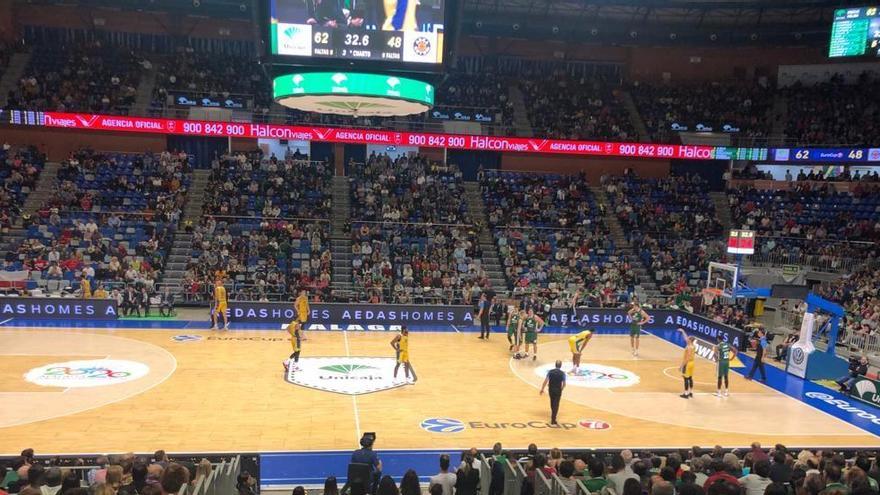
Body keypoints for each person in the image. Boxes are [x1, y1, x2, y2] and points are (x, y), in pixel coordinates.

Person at [540, 360, 566, 425]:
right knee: (556, 404)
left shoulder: (550, 372)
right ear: (561, 365)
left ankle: (553, 416)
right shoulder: (563, 373)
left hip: (551, 389)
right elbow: (564, 384)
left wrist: (542, 389)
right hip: (558, 390)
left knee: (552, 402)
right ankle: (553, 419)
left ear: (555, 365)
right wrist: (561, 389)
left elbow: (546, 381)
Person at [678, 328, 696, 398]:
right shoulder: (693, 346)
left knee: (685, 379)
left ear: (690, 340)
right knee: (690, 378)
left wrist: (681, 366)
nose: (687, 339)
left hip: (688, 364)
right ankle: (690, 392)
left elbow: (687, 358)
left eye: (688, 338)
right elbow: (685, 338)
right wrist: (683, 331)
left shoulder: (688, 347)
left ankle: (685, 394)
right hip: (692, 363)